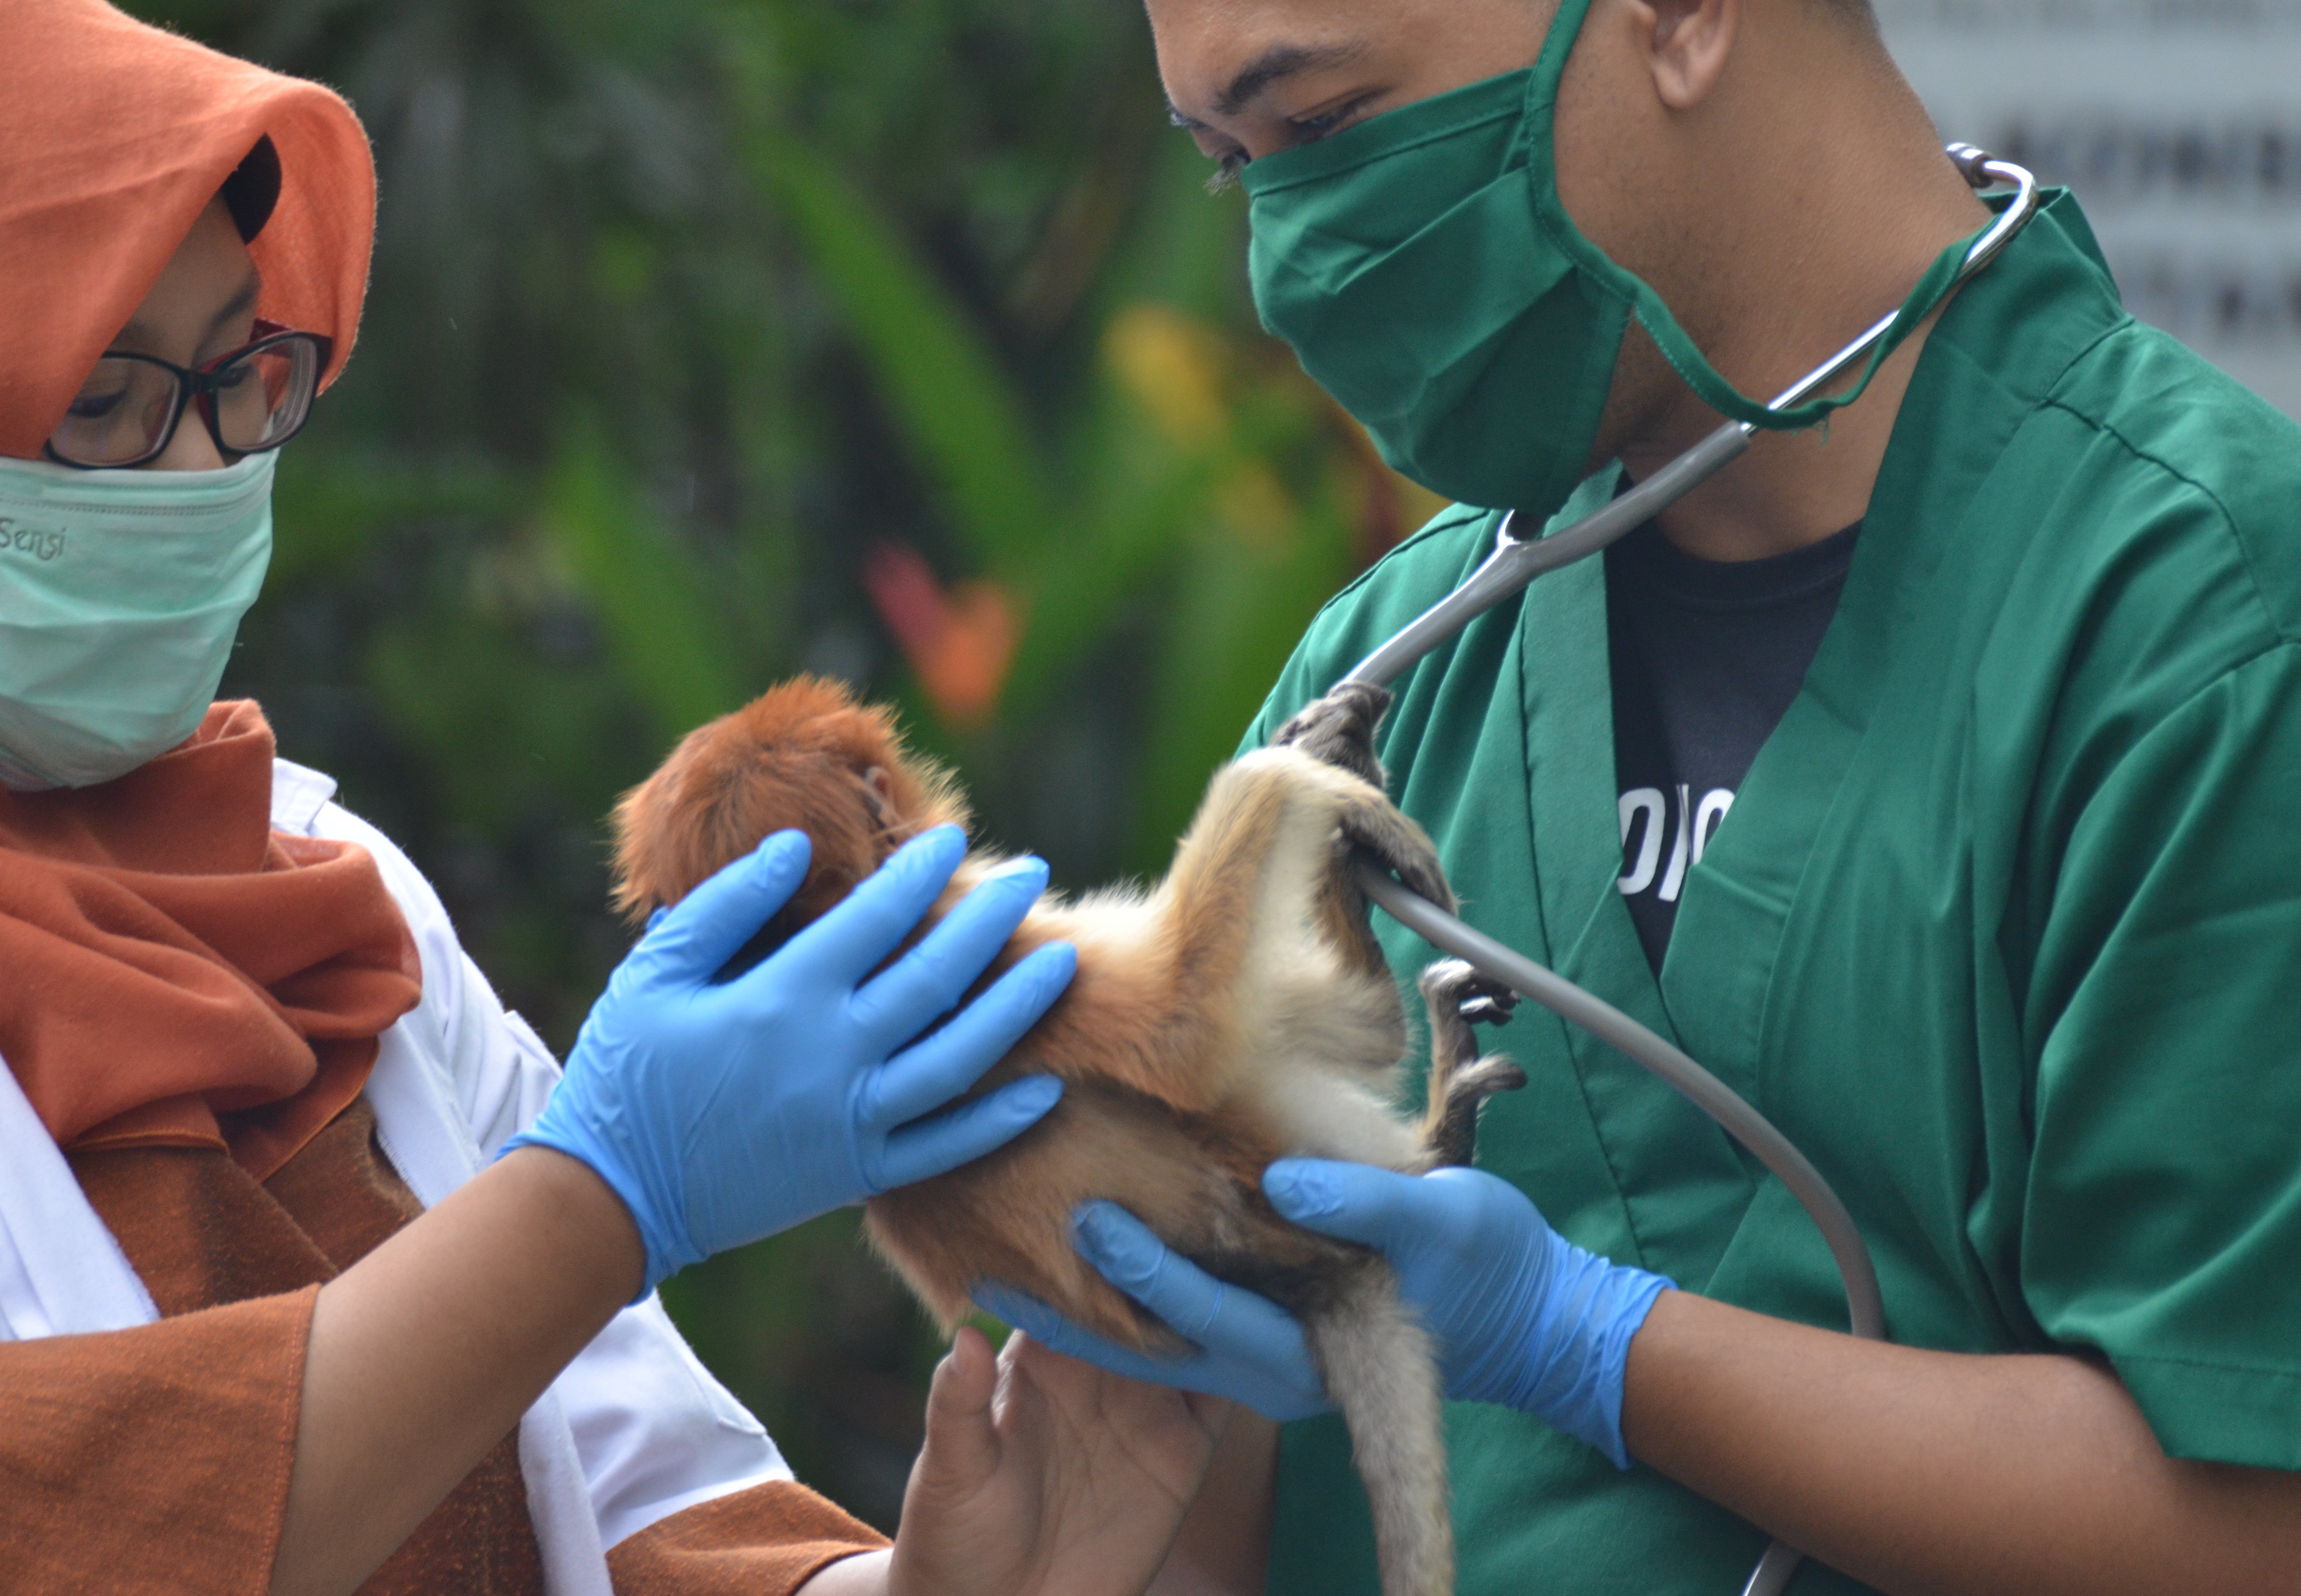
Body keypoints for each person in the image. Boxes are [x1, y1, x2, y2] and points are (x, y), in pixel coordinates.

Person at [0, 4, 1232, 1595]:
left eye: (243, 377)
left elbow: (629, 1489)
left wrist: (928, 1583)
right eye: (102, 405)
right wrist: (597, 1202)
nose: (202, 475)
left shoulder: (331, 893)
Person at [986, 0, 2301, 1590]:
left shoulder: (2194, 623)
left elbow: (2245, 1519)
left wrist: (1595, 1349)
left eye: (1326, 131)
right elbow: (1229, 1495)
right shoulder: (1385, 688)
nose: (1291, 269)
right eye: (1230, 169)